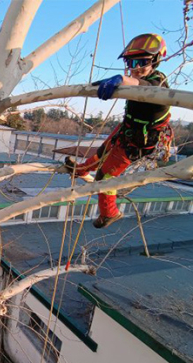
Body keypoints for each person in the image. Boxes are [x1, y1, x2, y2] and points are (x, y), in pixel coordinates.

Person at [65, 33, 171, 229]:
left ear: (155, 61)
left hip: (138, 143)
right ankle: (80, 169)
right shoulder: (137, 80)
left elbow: (148, 88)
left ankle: (110, 213)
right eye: (131, 62)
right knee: (101, 152)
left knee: (104, 177)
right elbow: (138, 84)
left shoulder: (160, 84)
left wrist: (122, 79)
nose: (136, 68)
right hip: (126, 130)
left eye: (142, 61)